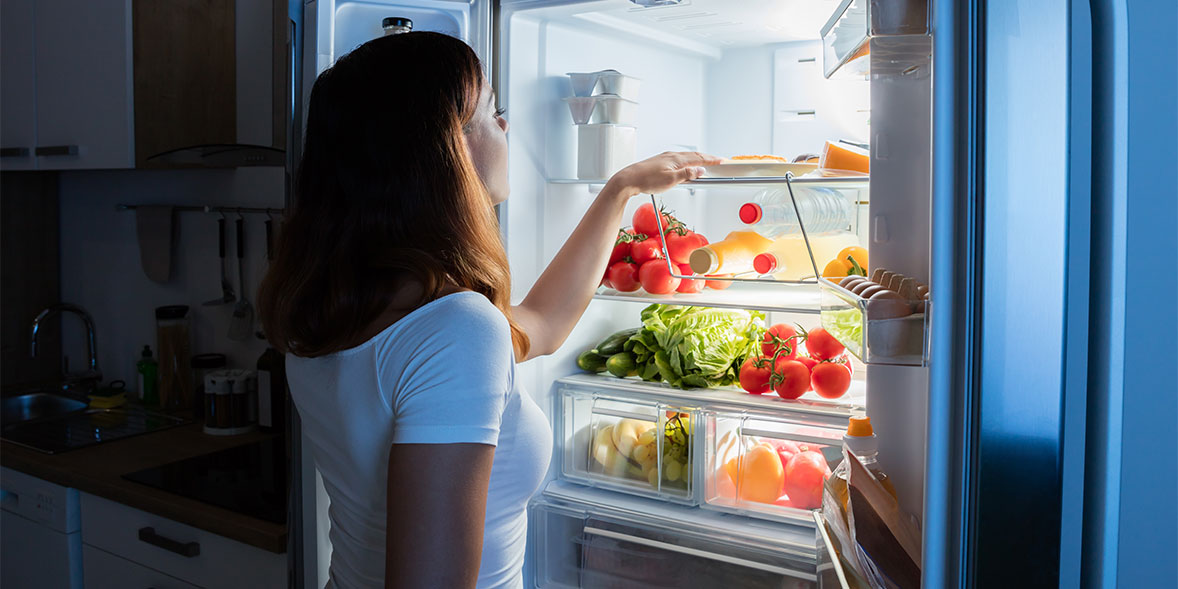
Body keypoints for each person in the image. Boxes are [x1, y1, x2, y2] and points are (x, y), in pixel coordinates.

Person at [258, 31, 719, 589]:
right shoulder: (455, 329)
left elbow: (541, 326)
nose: (505, 127)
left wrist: (620, 189)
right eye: (492, 113)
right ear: (448, 149)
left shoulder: (336, 303)